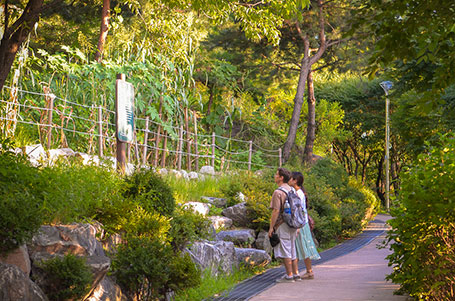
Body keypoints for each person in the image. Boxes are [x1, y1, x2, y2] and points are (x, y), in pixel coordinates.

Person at [268, 167, 300, 283]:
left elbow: (276, 211)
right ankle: (296, 274)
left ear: (281, 178)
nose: (275, 176)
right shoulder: (292, 190)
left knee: (286, 249)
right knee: (292, 248)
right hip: (293, 223)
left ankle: (289, 276)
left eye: (277, 175)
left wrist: (271, 227)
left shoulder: (278, 192)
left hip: (282, 224)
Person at [289, 171, 321, 279]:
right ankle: (307, 271)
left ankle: (297, 272)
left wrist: (297, 226)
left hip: (300, 224)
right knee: (303, 247)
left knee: (299, 247)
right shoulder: (299, 192)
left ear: (295, 181)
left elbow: (298, 211)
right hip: (303, 223)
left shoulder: (298, 194)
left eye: (291, 178)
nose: (289, 180)